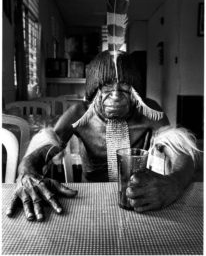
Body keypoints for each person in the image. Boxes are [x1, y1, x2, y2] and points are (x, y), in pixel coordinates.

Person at [6, 51, 200, 221]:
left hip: (137, 196)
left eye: (125, 88)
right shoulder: (79, 113)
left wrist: (173, 182)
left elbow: (182, 152)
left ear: (136, 93)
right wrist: (26, 172)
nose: (115, 96)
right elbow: (44, 149)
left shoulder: (148, 111)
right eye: (106, 88)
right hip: (89, 199)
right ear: (93, 91)